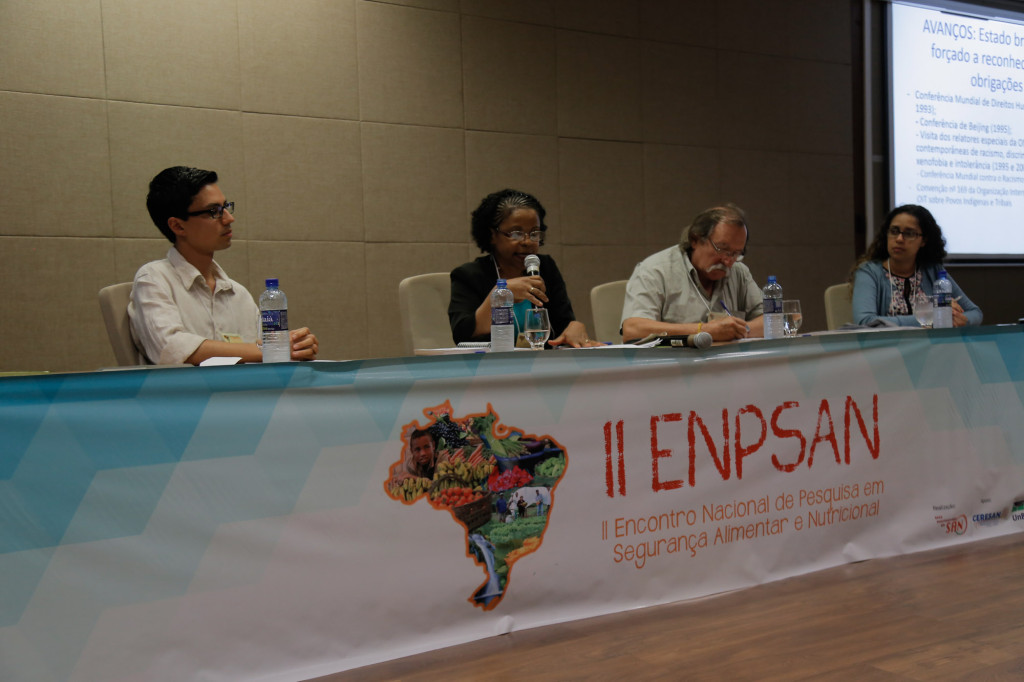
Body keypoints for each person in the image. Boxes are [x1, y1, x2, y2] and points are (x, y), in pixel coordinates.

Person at [128, 166, 319, 365]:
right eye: (214, 211)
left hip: (246, 386)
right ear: (178, 225)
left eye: (226, 207)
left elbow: (264, 353)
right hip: (183, 386)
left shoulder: (239, 295)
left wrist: (294, 348)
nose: (229, 218)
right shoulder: (154, 279)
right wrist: (270, 349)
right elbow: (172, 348)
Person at [448, 189, 601, 347]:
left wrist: (574, 328)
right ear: (492, 235)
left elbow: (563, 326)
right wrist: (500, 294)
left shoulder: (545, 267)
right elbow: (461, 334)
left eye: (534, 234)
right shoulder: (469, 275)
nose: (527, 242)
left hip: (542, 360)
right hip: (492, 361)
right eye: (516, 234)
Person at [621, 204, 764, 342]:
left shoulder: (739, 272)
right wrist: (705, 330)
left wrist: (735, 331)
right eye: (721, 249)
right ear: (695, 239)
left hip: (727, 358)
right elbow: (633, 330)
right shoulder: (655, 270)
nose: (728, 261)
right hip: (672, 358)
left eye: (736, 253)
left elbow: (771, 320)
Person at [851, 204, 982, 327]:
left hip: (932, 343)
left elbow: (975, 312)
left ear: (923, 240)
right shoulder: (869, 272)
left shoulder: (933, 270)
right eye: (894, 231)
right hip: (887, 344)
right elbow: (866, 322)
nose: (899, 239)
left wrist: (958, 318)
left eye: (909, 233)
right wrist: (934, 314)